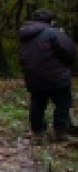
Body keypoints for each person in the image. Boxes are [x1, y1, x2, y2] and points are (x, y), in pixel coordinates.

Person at [18, 9, 75, 141]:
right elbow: (69, 51)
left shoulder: (25, 35)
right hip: (56, 75)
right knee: (63, 103)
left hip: (33, 76)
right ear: (50, 20)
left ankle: (38, 132)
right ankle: (60, 131)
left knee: (37, 103)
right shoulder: (54, 33)